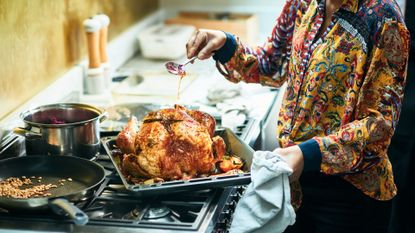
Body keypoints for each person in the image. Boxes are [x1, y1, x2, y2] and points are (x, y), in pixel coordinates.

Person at [185, 0, 410, 232]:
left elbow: (379, 127)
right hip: (293, 187)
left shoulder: (384, 17)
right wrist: (225, 44)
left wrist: (308, 154)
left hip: (348, 197)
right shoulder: (302, 3)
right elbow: (274, 64)